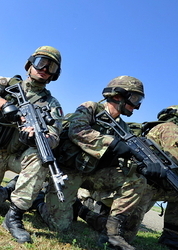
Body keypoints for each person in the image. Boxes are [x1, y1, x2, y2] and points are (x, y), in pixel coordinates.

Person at [35, 75, 148, 250]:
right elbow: (76, 130)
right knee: (60, 226)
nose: (136, 106)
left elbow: (126, 157)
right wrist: (110, 142)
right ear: (117, 95)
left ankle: (113, 233)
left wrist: (145, 166)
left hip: (95, 174)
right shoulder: (92, 108)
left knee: (137, 180)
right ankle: (40, 201)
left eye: (139, 100)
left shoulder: (124, 129)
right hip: (69, 171)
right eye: (134, 99)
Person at [0, 46, 64, 243]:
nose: (45, 69)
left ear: (54, 74)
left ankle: (14, 215)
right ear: (30, 64)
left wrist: (39, 139)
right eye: (41, 63)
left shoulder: (52, 104)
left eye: (51, 67)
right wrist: (3, 105)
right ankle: (7, 191)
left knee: (42, 154)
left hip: (19, 156)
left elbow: (55, 135)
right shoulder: (7, 84)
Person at [75, 105, 178, 250]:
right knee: (124, 234)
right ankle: (81, 209)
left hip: (148, 186)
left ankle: (172, 237)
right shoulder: (170, 129)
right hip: (137, 186)